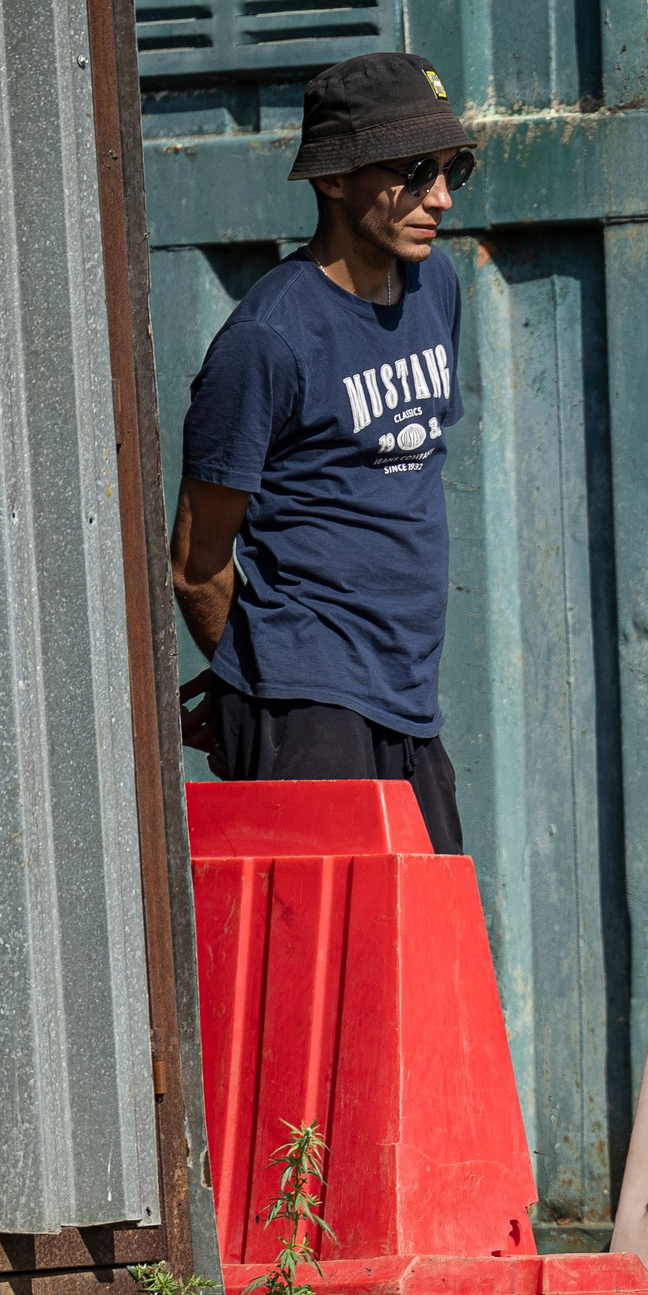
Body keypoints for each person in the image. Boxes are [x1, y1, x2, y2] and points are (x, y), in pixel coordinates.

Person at [169, 53, 476, 855]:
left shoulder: (435, 286)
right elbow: (197, 563)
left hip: (410, 703)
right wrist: (263, 677)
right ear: (335, 176)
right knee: (324, 933)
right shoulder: (267, 341)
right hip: (308, 711)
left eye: (452, 169)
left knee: (432, 929)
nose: (440, 197)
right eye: (414, 171)